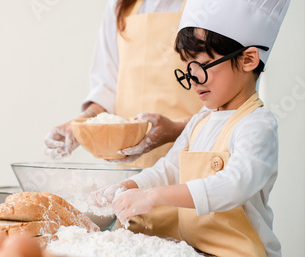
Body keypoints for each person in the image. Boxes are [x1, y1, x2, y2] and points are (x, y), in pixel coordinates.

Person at [92, 0, 291, 256]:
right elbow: (170, 168)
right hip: (198, 249)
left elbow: (235, 184)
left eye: (203, 65)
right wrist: (132, 185)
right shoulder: (202, 119)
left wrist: (155, 196)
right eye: (189, 67)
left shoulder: (256, 124)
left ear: (248, 59)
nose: (194, 79)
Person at [44, 0, 203, 240]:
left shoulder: (210, 6)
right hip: (130, 180)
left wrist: (176, 130)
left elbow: (229, 96)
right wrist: (83, 124)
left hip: (194, 168)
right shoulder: (121, 6)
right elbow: (107, 88)